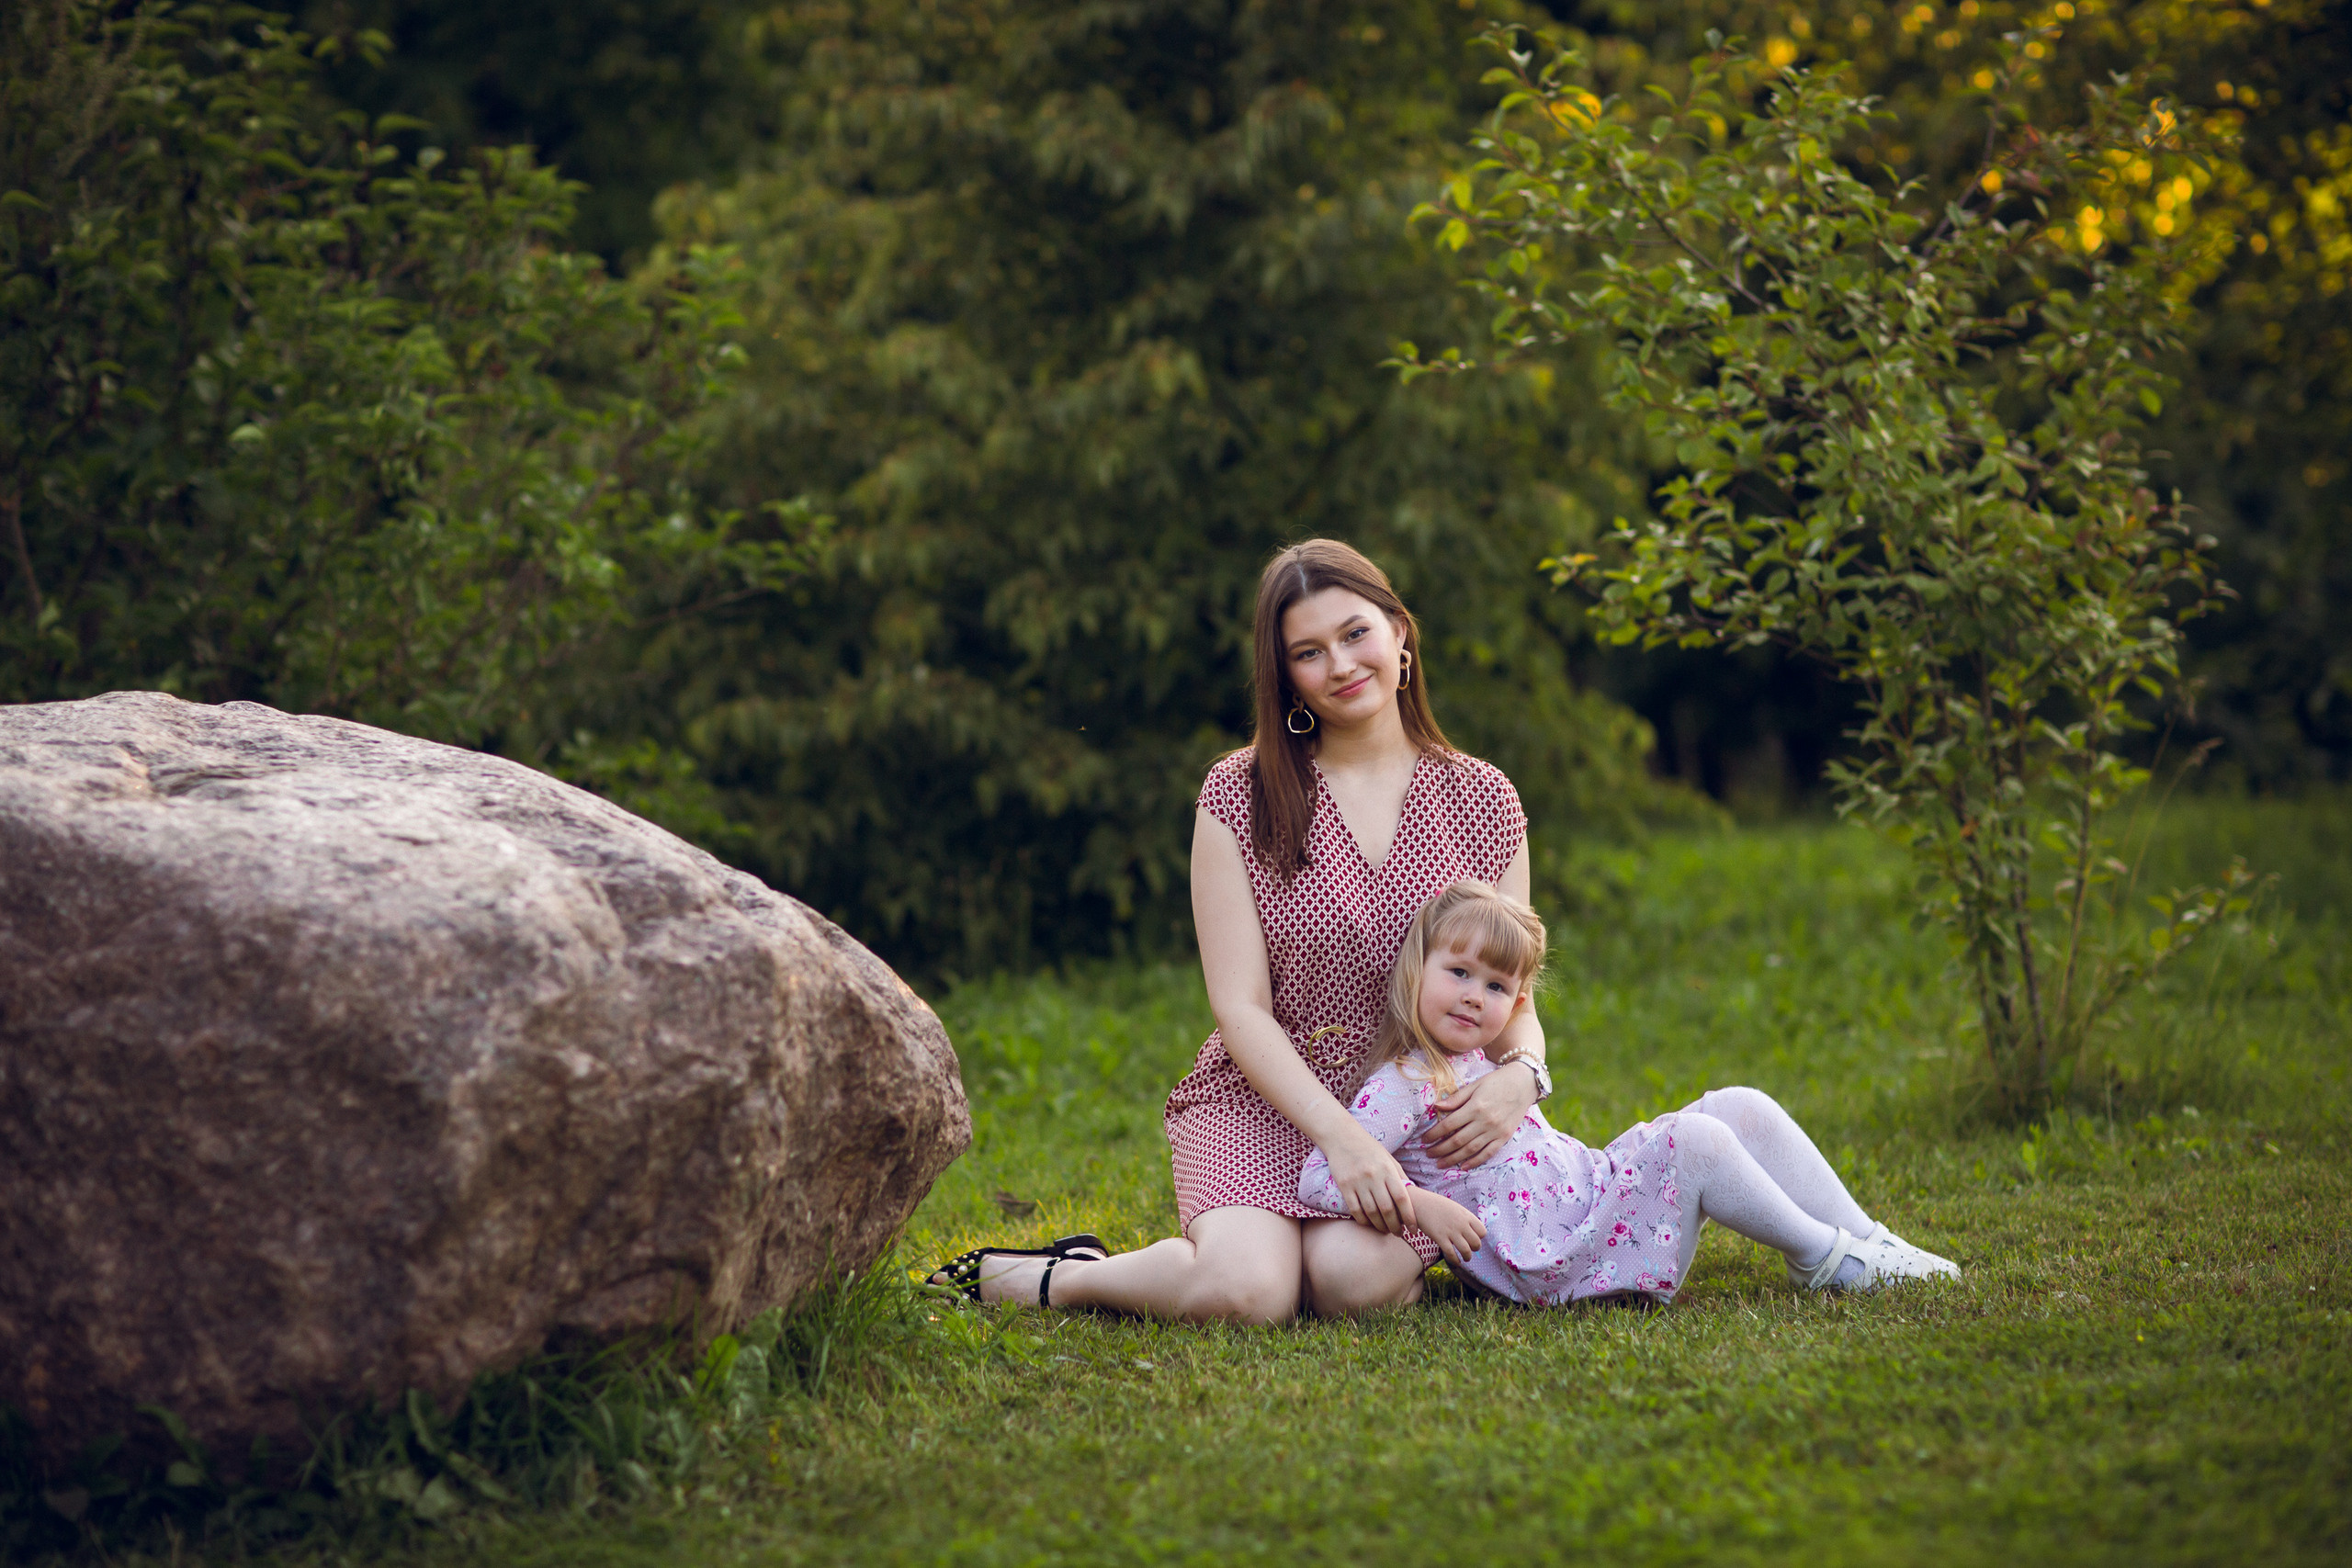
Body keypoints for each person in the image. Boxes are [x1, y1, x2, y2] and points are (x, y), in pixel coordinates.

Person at [930, 538, 1543, 1319]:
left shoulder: (1483, 797)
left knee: (1358, 1287)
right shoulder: (1239, 791)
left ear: (1400, 634)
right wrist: (1339, 1137)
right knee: (1248, 1292)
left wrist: (1521, 1078)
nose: (1343, 664)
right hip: (1263, 1098)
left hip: (1409, 1115)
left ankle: (1331, 1254)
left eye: (1356, 633)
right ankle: (1063, 1273)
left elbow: (1513, 993)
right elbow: (1240, 1005)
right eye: (1309, 652)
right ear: (1286, 674)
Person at [1299, 879, 1962, 1304]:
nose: (1476, 994)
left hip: (1586, 1195)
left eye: (1497, 986)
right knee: (1695, 1140)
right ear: (1418, 969)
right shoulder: (1407, 1081)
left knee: (1737, 1103)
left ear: (1519, 1000)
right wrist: (1421, 1208)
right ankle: (1822, 1260)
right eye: (1459, 972)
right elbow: (1320, 1177)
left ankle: (1867, 1239)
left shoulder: (1476, 1059)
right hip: (1556, 1251)